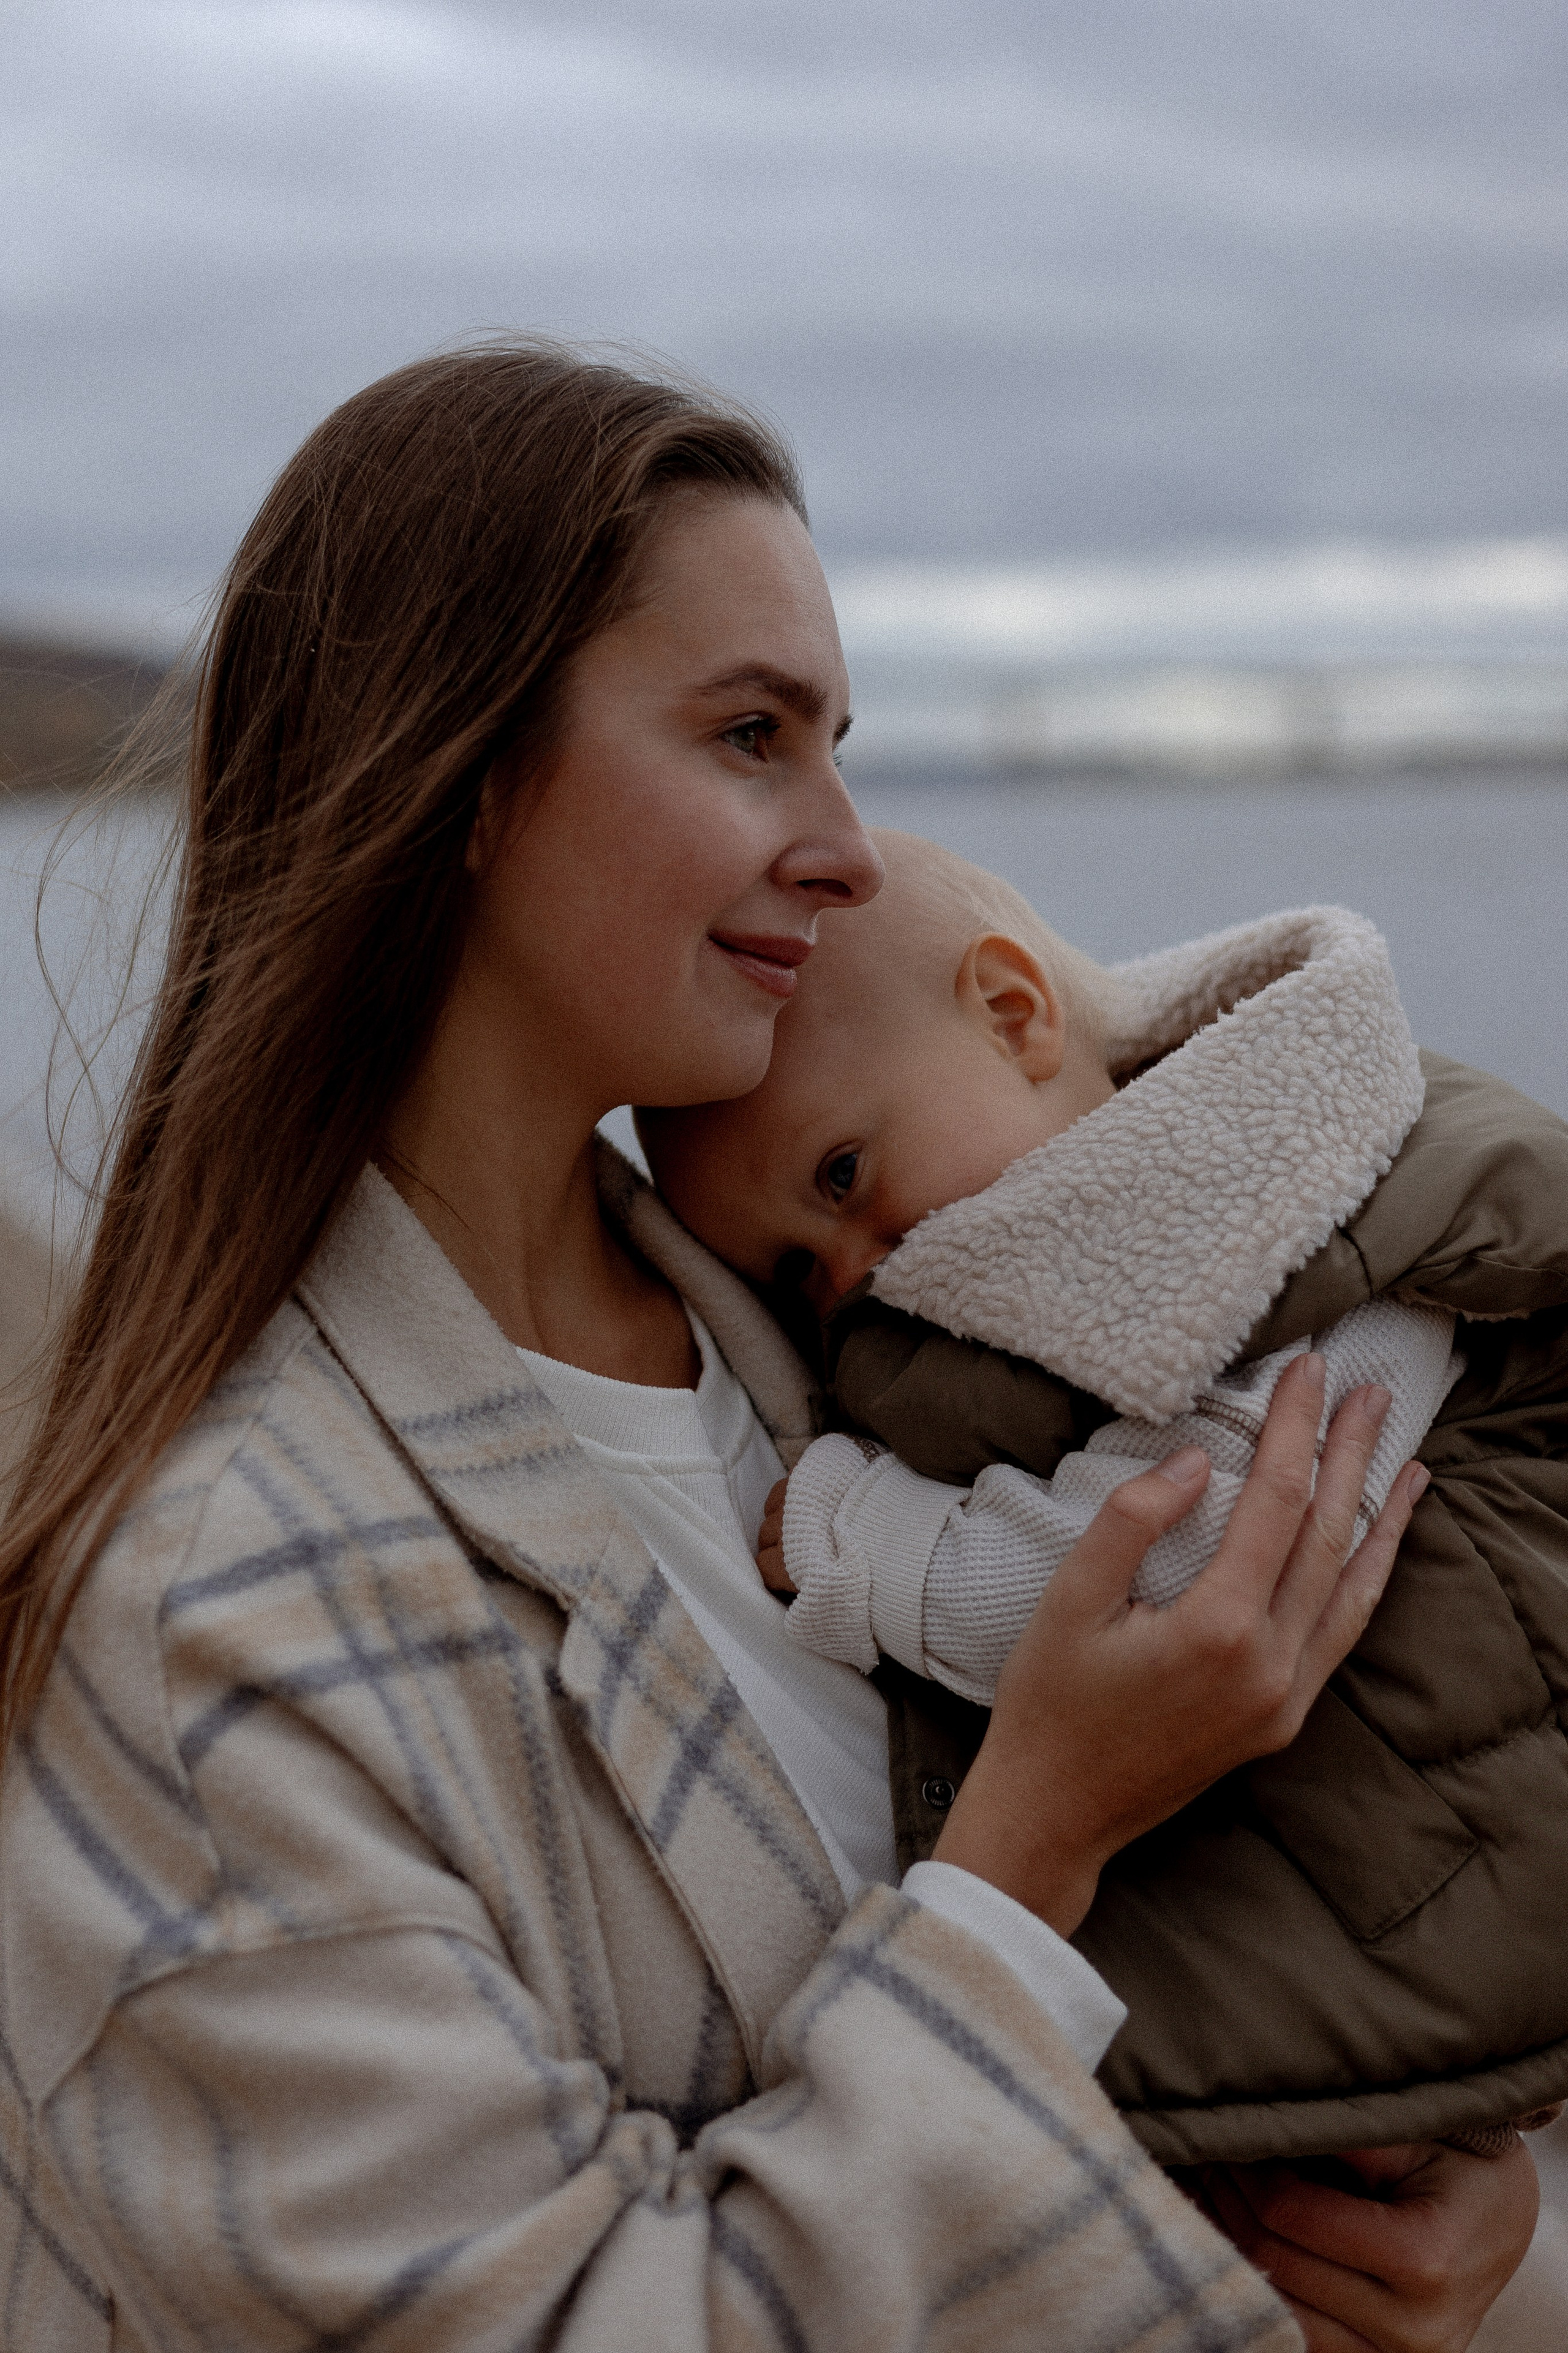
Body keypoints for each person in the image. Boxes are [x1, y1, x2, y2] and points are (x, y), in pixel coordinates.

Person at [0, 342, 1537, 2351]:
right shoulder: (211, 1619)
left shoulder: (873, 1336)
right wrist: (1033, 1835)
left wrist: (1438, 2206)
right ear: (462, 784)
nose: (844, 841)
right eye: (749, 734)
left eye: (835, 740)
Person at [641, 829, 1568, 2171]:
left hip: (1452, 1892)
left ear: (1013, 1012)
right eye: (793, 1273)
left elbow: (1167, 1577)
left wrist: (863, 1539)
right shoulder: (1090, 1235)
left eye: (843, 1176)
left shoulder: (1309, 1207)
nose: (850, 1277)